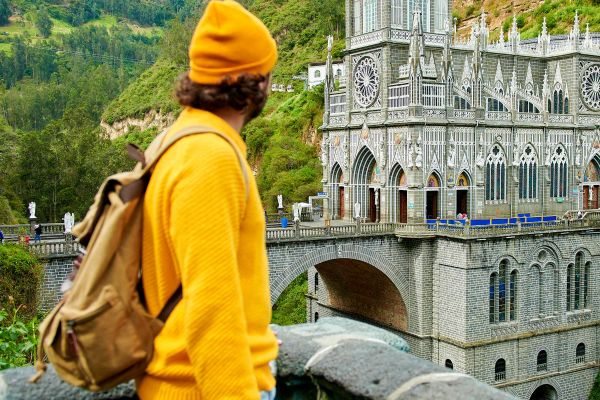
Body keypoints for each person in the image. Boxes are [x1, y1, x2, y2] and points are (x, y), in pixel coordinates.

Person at [137, 1, 278, 399]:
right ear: (255, 82)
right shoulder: (208, 157)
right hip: (200, 387)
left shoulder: (172, 141)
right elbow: (210, 307)